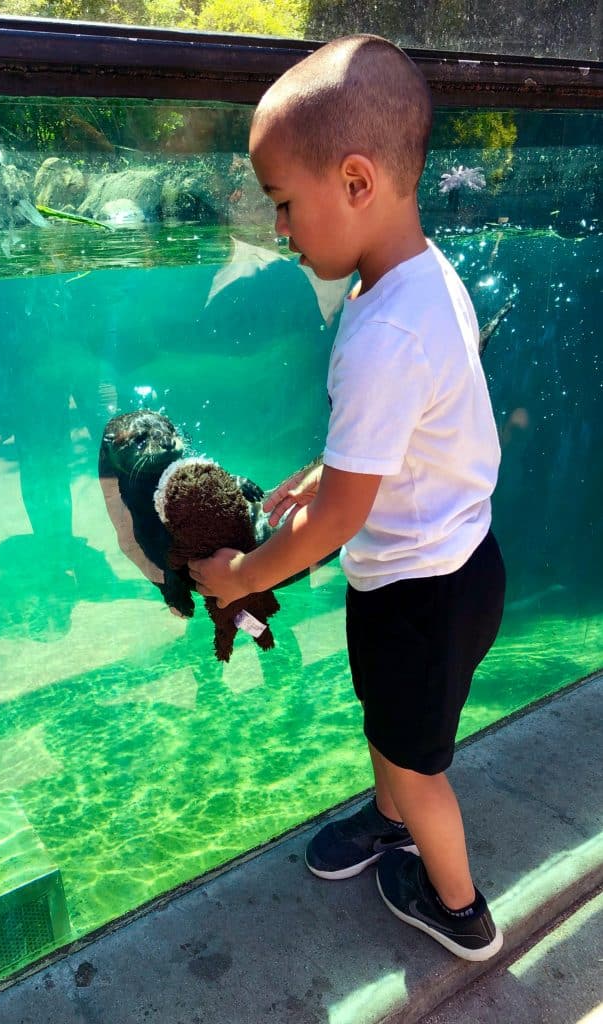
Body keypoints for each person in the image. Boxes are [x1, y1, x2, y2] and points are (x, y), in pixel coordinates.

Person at [188, 34, 506, 962]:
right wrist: (332, 465)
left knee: (421, 764)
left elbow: (336, 527)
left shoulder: (381, 331)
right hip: (443, 571)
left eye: (285, 205)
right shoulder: (417, 279)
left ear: (357, 182)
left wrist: (238, 575)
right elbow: (414, 424)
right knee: (392, 726)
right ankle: (388, 816)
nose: (279, 231)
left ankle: (458, 909)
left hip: (421, 594)